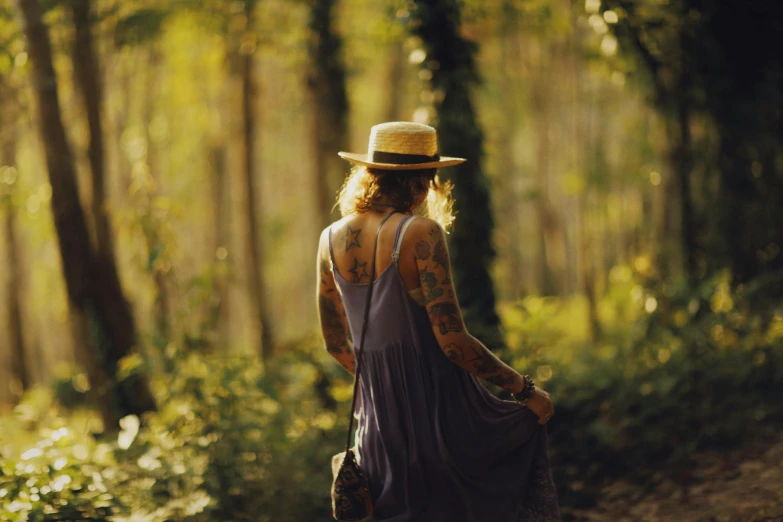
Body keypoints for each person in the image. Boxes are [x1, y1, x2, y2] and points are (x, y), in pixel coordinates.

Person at [317, 122, 560, 521]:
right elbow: (452, 341)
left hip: (373, 425)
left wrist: (384, 384)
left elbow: (335, 343)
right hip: (439, 415)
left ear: (369, 172)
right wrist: (525, 389)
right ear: (425, 179)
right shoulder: (420, 233)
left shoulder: (328, 239)